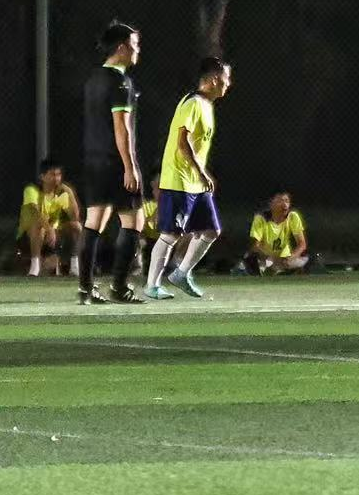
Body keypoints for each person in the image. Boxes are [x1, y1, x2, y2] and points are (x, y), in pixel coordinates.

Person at [147, 57, 233, 300]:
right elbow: (182, 143)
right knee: (171, 234)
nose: (228, 83)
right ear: (214, 79)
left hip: (195, 183)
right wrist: (202, 172)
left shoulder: (207, 105)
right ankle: (152, 285)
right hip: (180, 180)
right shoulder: (193, 103)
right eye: (226, 78)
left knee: (211, 230)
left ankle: (181, 273)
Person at [77, 21, 145, 304]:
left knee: (94, 222)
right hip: (114, 161)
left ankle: (85, 289)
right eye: (134, 45)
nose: (137, 50)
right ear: (121, 48)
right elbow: (122, 128)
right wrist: (130, 166)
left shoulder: (94, 79)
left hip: (93, 159)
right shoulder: (120, 82)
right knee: (135, 221)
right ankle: (119, 286)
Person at [17, 157, 79, 276]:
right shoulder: (31, 190)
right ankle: (34, 268)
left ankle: (74, 266)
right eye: (52, 175)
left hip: (52, 237)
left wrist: (70, 193)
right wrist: (49, 229)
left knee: (76, 226)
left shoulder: (62, 193)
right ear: (42, 177)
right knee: (38, 226)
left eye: (58, 175)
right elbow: (36, 214)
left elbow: (75, 217)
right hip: (29, 237)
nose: (56, 178)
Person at [246, 191, 311, 273]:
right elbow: (255, 246)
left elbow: (302, 244)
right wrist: (273, 258)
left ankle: (283, 270)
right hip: (266, 259)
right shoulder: (261, 218)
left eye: (287, 201)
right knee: (254, 262)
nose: (285, 205)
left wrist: (290, 258)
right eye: (280, 201)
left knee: (305, 260)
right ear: (271, 204)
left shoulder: (292, 216)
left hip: (285, 260)